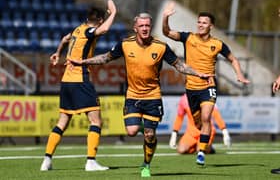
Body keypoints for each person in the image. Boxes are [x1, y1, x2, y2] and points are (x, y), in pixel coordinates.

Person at [68, 12, 213, 177]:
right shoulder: (125, 44)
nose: (145, 28)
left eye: (147, 26)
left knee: (150, 136)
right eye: (142, 26)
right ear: (135, 27)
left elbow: (179, 65)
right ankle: (147, 130)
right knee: (131, 131)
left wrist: (198, 74)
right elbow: (106, 57)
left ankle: (146, 164)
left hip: (153, 96)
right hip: (133, 96)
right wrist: (84, 61)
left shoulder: (161, 46)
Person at [162, 1, 250, 165]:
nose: (201, 25)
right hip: (191, 88)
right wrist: (165, 17)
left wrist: (239, 75)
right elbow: (166, 32)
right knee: (198, 123)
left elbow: (233, 59)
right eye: (199, 22)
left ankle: (201, 152)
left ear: (211, 26)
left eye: (204, 23)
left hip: (208, 86)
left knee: (206, 117)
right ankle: (206, 144)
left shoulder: (217, 44)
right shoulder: (188, 37)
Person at [40, 0, 117, 171]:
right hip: (80, 79)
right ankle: (90, 161)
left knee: (62, 122)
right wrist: (114, 13)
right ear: (99, 20)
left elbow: (65, 38)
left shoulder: (78, 29)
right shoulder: (90, 31)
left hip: (66, 81)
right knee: (96, 120)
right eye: (102, 20)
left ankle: (47, 160)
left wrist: (57, 53)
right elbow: (104, 30)